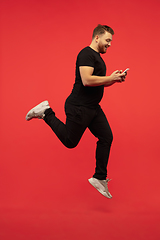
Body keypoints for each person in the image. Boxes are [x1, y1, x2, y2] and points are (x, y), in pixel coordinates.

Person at [26, 24, 127, 199]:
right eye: (107, 40)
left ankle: (99, 177)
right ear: (97, 37)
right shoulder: (86, 54)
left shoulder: (97, 57)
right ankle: (46, 112)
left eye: (111, 41)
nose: (110, 44)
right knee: (70, 141)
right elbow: (87, 80)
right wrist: (109, 77)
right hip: (79, 106)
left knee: (106, 137)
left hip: (93, 108)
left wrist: (114, 79)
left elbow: (98, 81)